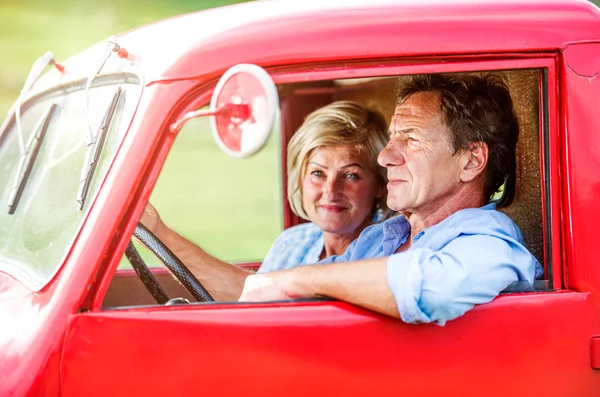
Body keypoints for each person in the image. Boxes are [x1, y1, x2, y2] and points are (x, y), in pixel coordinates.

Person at [142, 73, 542, 325]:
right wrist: (157, 231)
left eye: (411, 138)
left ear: (471, 160)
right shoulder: (382, 237)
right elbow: (257, 292)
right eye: (392, 138)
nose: (386, 156)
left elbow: (430, 289)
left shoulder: (490, 241)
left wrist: (297, 278)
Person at [259, 100, 391, 273]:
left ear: (380, 185)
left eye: (351, 175)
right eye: (318, 173)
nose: (331, 191)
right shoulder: (291, 243)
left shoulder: (391, 251)